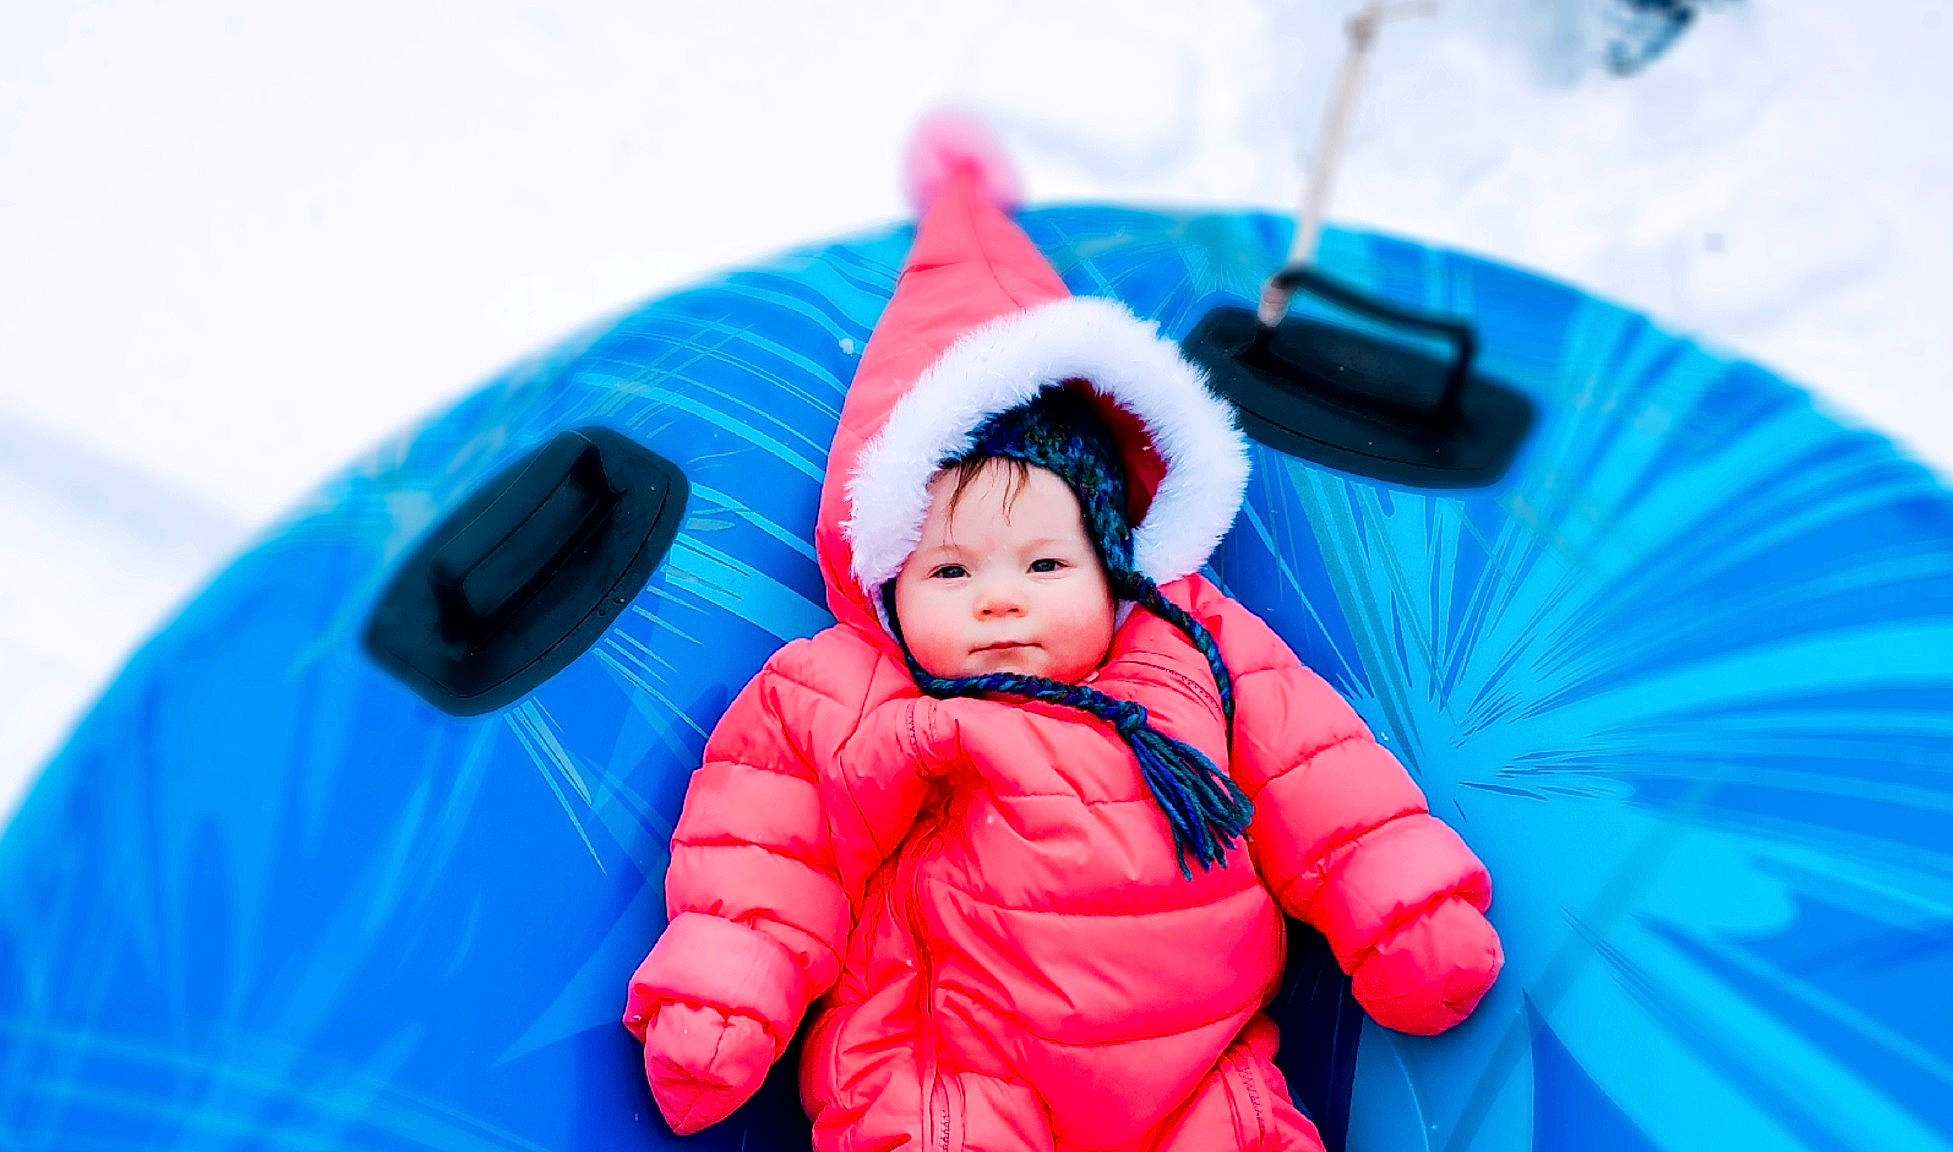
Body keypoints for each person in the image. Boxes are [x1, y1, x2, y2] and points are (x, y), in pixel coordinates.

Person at [624, 112, 1502, 1152]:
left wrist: (1400, 911)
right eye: (949, 571)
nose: (1000, 601)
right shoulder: (840, 689)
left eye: (1044, 565)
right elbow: (764, 853)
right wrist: (728, 1003)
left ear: (1114, 560)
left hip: (1200, 1079)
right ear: (888, 575)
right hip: (953, 1083)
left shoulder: (1192, 645)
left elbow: (1326, 784)